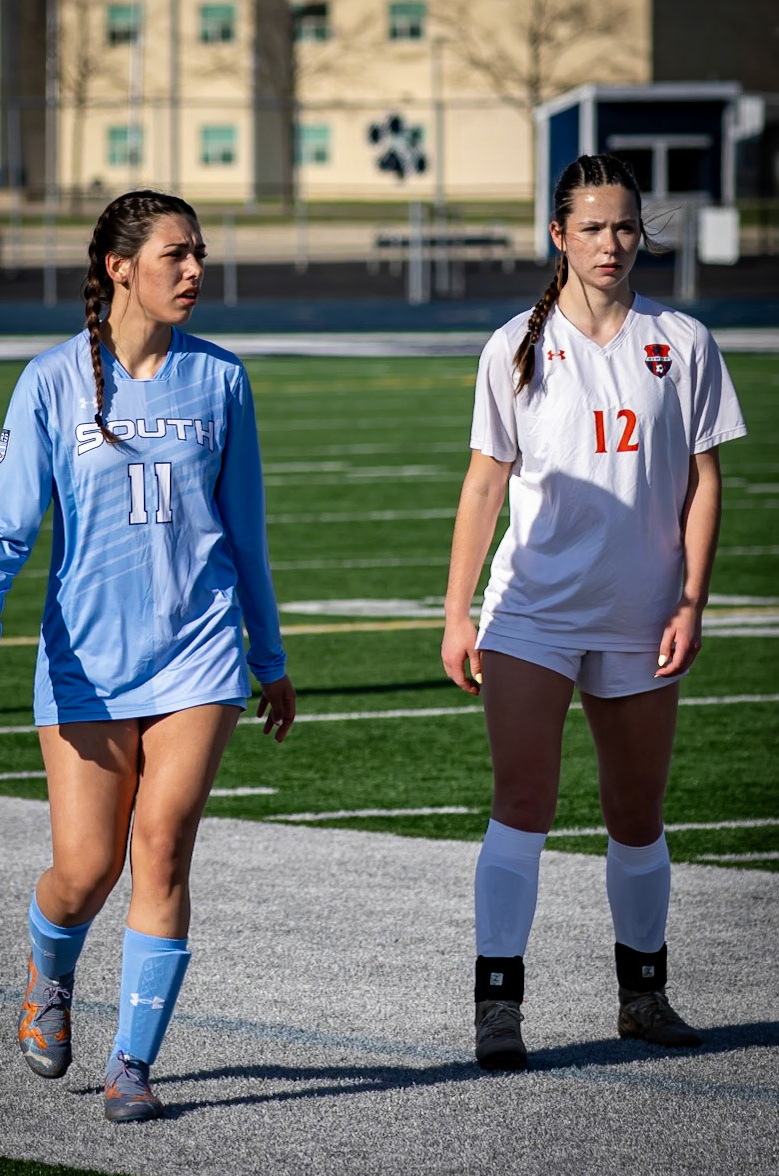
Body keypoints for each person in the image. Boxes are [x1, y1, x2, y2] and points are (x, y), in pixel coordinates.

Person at [0, 190, 296, 1122]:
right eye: (176, 254)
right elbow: (3, 527)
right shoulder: (51, 381)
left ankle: (133, 1066)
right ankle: (48, 974)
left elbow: (246, 536)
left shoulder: (221, 378)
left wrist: (268, 658)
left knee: (162, 847)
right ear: (119, 268)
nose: (195, 270)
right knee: (85, 870)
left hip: (199, 653)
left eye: (199, 253)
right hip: (87, 662)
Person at [441, 154, 746, 1070]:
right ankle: (499, 1007)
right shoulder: (515, 346)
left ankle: (643, 996)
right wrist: (457, 613)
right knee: (522, 803)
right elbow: (484, 484)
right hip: (531, 613)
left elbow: (703, 481)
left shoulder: (682, 341)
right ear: (559, 236)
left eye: (624, 226)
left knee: (637, 813)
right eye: (592, 227)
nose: (610, 243)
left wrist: (690, 600)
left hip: (643, 614)